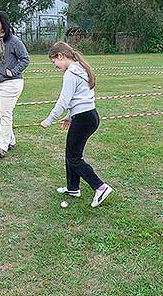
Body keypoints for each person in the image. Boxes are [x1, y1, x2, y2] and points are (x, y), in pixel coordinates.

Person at [40, 42, 112, 208]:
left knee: (74, 157)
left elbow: (64, 101)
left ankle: (100, 187)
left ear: (61, 56)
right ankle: (73, 188)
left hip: (84, 119)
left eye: (54, 62)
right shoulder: (81, 68)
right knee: (71, 153)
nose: (55, 66)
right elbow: (79, 98)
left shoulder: (71, 73)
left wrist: (49, 119)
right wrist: (70, 117)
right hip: (87, 116)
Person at [0, 10, 30, 158]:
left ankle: (2, 146)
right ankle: (11, 140)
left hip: (12, 82)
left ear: (3, 23)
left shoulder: (14, 41)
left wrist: (13, 71)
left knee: (5, 114)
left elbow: (25, 59)